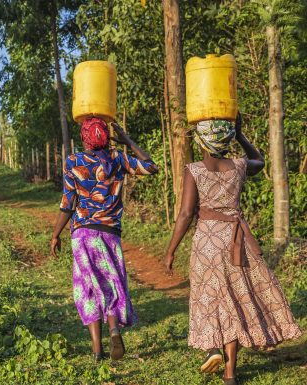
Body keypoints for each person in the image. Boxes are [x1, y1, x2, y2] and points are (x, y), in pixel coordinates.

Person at [163, 114, 302, 385]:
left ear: (202, 141)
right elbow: (259, 162)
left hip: (207, 242)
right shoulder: (238, 165)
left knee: (208, 298)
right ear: (226, 140)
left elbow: (186, 214)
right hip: (235, 240)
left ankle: (212, 348)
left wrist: (170, 251)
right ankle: (230, 374)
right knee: (233, 301)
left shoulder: (194, 169)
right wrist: (240, 135)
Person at [50, 117, 158, 362]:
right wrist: (128, 141)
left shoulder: (73, 162)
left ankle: (97, 350)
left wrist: (56, 234)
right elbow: (151, 166)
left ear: (84, 138)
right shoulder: (118, 159)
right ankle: (114, 329)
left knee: (87, 288)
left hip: (82, 234)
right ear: (107, 137)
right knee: (110, 282)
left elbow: (67, 205)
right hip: (110, 233)